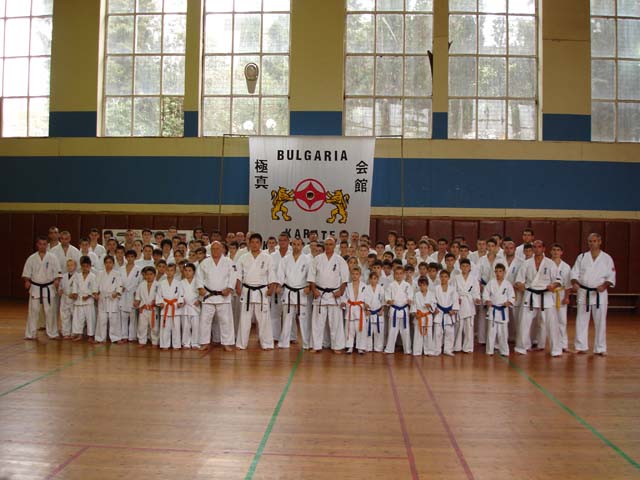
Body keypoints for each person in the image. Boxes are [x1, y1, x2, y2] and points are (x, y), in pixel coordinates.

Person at [570, 233, 616, 356]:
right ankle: (581, 346)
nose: (592, 243)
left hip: (599, 293)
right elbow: (574, 273)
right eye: (590, 241)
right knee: (581, 319)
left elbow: (611, 276)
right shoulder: (582, 257)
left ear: (600, 242)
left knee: (600, 321)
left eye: (594, 241)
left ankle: (600, 348)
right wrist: (574, 283)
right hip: (583, 291)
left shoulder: (607, 258)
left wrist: (604, 286)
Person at [514, 240, 562, 357]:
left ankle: (556, 350)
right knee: (524, 322)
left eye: (539, 247)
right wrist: (520, 285)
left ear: (543, 248)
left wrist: (553, 285)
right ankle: (521, 347)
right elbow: (518, 280)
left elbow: (558, 280)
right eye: (534, 247)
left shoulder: (550, 263)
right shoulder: (526, 263)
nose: (537, 249)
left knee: (551, 324)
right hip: (530, 294)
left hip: (546, 294)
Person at [236, 233, 277, 350]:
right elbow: (238, 275)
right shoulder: (243, 257)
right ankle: (241, 344)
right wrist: (238, 287)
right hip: (247, 290)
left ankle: (267, 343)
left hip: (262, 290)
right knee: (244, 318)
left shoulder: (267, 258)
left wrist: (271, 288)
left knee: (264, 319)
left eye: (257, 242)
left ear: (260, 244)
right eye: (252, 242)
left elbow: (272, 274)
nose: (254, 244)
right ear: (249, 243)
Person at [309, 237, 349, 353]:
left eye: (330, 244)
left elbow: (345, 279)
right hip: (320, 293)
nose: (328, 246)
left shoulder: (340, 260)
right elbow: (311, 277)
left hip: (334, 294)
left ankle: (337, 346)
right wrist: (314, 290)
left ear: (335, 246)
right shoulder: (317, 259)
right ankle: (316, 346)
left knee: (336, 322)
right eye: (326, 244)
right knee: (317, 322)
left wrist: (341, 291)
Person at [196, 241, 237, 352]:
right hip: (208, 295)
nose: (215, 251)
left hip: (223, 295)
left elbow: (233, 276)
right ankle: (204, 342)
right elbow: (199, 276)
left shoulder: (229, 262)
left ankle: (227, 343)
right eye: (213, 249)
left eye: (217, 248)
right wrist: (200, 288)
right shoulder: (204, 262)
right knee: (205, 321)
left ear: (222, 249)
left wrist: (229, 288)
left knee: (226, 321)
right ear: (210, 250)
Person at [22, 236, 62, 340]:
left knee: (50, 311)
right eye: (40, 244)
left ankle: (52, 333)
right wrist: (27, 281)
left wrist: (57, 280)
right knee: (33, 311)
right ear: (37, 245)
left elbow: (58, 272)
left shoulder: (53, 257)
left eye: (44, 244)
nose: (42, 246)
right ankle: (31, 334)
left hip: (49, 287)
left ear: (47, 245)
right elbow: (26, 273)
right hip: (35, 287)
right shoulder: (31, 258)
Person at [277, 237, 311, 349]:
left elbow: (311, 275)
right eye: (294, 244)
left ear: (302, 246)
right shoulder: (285, 259)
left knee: (303, 319)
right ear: (291, 245)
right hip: (288, 291)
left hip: (302, 291)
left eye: (298, 244)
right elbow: (281, 274)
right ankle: (284, 342)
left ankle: (306, 343)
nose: (296, 247)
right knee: (287, 318)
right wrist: (279, 285)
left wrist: (309, 286)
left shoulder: (307, 259)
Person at [483, 264, 515, 356]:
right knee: (491, 332)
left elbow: (512, 296)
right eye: (496, 271)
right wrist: (487, 300)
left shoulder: (507, 284)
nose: (498, 273)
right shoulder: (491, 283)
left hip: (503, 310)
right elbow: (485, 294)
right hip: (493, 309)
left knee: (503, 333)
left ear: (504, 272)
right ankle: (489, 351)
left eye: (500, 271)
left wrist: (509, 302)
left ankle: (504, 351)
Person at [384, 265, 413, 355]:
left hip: (404, 310)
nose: (399, 275)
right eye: (397, 274)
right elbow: (387, 296)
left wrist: (410, 300)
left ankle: (407, 349)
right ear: (394, 275)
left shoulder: (407, 285)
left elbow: (410, 296)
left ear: (404, 274)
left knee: (406, 331)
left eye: (400, 274)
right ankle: (389, 349)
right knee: (392, 330)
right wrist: (389, 300)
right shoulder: (391, 285)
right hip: (394, 310)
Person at [454, 258, 481, 353]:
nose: (465, 268)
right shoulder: (456, 278)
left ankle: (468, 347)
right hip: (460, 303)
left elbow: (476, 292)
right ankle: (457, 347)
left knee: (469, 327)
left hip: (469, 303)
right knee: (458, 326)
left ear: (470, 267)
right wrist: (456, 299)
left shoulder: (473, 279)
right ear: (460, 267)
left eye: (467, 266)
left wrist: (477, 298)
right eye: (463, 266)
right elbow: (454, 291)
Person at [430, 269, 459, 356]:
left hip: (449, 312)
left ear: (449, 278)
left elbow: (455, 300)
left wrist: (454, 310)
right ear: (439, 278)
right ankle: (436, 350)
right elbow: (432, 300)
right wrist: (434, 308)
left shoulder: (452, 289)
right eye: (442, 277)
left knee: (449, 332)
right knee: (437, 333)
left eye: (445, 277)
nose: (443, 278)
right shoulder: (436, 288)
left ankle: (448, 350)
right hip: (439, 312)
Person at [95, 255, 122, 344]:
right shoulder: (100, 273)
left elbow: (120, 286)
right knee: (102, 319)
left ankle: (115, 337)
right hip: (103, 298)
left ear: (113, 264)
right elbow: (95, 286)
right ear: (104, 263)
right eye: (106, 262)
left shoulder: (117, 273)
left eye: (110, 262)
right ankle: (100, 338)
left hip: (112, 298)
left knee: (114, 319)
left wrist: (116, 293)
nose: (108, 264)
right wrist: (96, 293)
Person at [550, 243, 572, 352]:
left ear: (561, 252)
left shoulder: (566, 267)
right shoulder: (547, 264)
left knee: (562, 320)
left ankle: (563, 344)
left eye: (558, 250)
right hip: (549, 294)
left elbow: (568, 284)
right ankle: (546, 344)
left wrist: (567, 297)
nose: (555, 252)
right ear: (550, 251)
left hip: (561, 294)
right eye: (554, 250)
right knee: (546, 321)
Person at [155, 263, 183, 350]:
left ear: (175, 272)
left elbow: (181, 294)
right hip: (165, 307)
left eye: (172, 270)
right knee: (165, 328)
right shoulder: (161, 283)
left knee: (176, 328)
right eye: (168, 270)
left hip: (175, 307)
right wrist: (160, 302)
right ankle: (165, 345)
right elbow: (158, 295)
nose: (170, 272)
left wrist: (180, 302)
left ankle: (176, 345)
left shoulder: (179, 283)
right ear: (165, 271)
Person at [71, 256, 98, 342]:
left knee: (90, 319)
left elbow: (95, 289)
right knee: (78, 318)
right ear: (81, 266)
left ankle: (90, 336)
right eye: (83, 266)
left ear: (90, 266)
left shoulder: (93, 276)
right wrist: (74, 293)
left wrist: (89, 295)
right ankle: (79, 334)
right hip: (79, 300)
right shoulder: (77, 276)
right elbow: (75, 286)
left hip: (88, 301)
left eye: (87, 266)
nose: (85, 268)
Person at [342, 266, 367, 354]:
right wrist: (343, 302)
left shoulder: (364, 286)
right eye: (353, 274)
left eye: (357, 274)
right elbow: (344, 297)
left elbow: (367, 297)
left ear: (360, 275)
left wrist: (367, 305)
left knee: (360, 329)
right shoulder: (347, 286)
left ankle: (360, 347)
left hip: (360, 309)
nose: (355, 276)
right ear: (350, 275)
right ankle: (349, 346)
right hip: (351, 308)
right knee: (350, 329)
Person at [120, 249, 141, 344]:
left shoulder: (138, 269)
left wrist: (137, 296)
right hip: (123, 294)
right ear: (126, 257)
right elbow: (118, 281)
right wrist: (121, 288)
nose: (130, 258)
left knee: (133, 317)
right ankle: (124, 336)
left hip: (133, 294)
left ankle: (132, 336)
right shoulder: (121, 269)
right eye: (128, 257)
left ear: (135, 258)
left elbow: (140, 283)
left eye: (132, 257)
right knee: (123, 316)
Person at [134, 266, 158, 347]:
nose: (149, 276)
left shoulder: (158, 285)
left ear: (154, 275)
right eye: (147, 274)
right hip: (143, 309)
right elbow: (138, 297)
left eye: (151, 274)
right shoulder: (141, 285)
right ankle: (142, 340)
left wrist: (156, 301)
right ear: (145, 275)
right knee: (142, 326)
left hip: (153, 309)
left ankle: (155, 341)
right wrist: (136, 302)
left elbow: (160, 296)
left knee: (154, 326)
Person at [180, 263, 201, 350]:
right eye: (186, 270)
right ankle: (186, 343)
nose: (187, 272)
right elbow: (179, 294)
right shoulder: (181, 282)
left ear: (194, 272)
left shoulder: (198, 282)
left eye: (190, 270)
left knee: (196, 326)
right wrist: (181, 300)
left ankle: (195, 343)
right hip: (185, 306)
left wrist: (199, 300)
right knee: (185, 326)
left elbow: (202, 293)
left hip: (195, 306)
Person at [363, 271, 385, 353]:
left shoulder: (381, 288)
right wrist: (366, 309)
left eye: (375, 278)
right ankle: (368, 347)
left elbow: (383, 301)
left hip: (378, 313)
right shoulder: (366, 288)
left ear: (377, 279)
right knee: (368, 331)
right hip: (369, 313)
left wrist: (382, 310)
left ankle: (378, 348)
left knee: (378, 332)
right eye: (371, 279)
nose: (373, 280)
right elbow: (363, 301)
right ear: (369, 279)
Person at [412, 276, 433, 356]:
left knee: (428, 335)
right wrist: (415, 314)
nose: (422, 287)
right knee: (418, 334)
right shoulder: (416, 295)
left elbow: (434, 305)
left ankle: (429, 351)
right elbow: (413, 306)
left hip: (427, 316)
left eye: (424, 285)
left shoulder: (431, 294)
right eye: (420, 285)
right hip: (419, 316)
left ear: (427, 285)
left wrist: (430, 306)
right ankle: (417, 351)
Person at [58, 259, 77, 339]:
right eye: (68, 265)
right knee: (64, 316)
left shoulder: (78, 276)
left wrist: (75, 294)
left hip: (73, 299)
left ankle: (74, 333)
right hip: (65, 298)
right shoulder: (63, 276)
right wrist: (60, 290)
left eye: (71, 265)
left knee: (74, 316)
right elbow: (60, 287)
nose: (70, 267)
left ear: (75, 266)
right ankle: (66, 332)